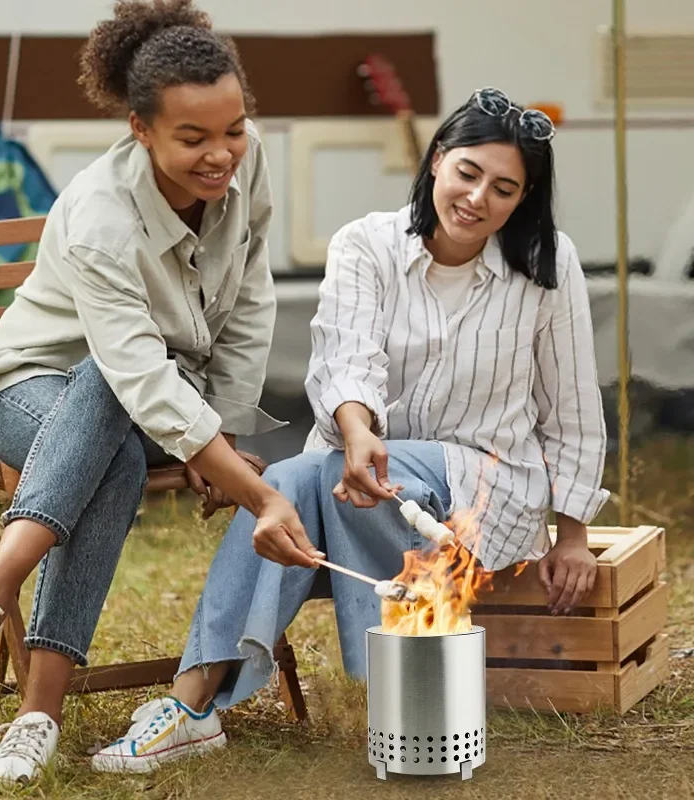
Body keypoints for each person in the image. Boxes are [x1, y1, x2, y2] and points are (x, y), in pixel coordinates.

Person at [87, 86, 610, 775]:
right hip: (359, 483)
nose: (479, 198)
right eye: (468, 172)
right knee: (299, 480)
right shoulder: (367, 245)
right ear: (436, 163)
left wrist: (571, 534)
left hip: (484, 495)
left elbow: (571, 401)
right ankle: (194, 710)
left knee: (291, 482)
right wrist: (358, 431)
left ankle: (199, 706)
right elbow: (345, 358)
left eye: (505, 188)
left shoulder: (548, 264)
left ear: (524, 199)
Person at [0, 0, 322, 789]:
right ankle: (32, 701)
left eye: (232, 129)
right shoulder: (99, 213)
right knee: (108, 391)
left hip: (157, 394)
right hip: (30, 389)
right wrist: (256, 489)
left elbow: (254, 295)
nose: (221, 153)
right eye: (192, 138)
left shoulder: (245, 158)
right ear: (140, 129)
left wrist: (221, 430)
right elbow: (132, 373)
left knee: (120, 434)